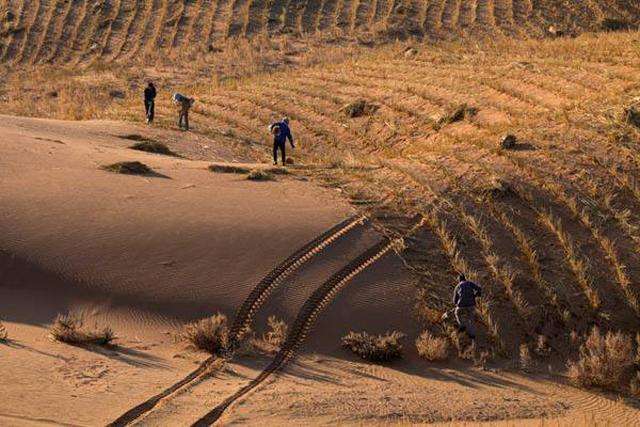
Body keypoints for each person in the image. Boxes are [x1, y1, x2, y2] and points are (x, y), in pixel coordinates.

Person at [452, 273, 482, 340]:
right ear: (465, 279)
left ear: (459, 280)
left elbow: (454, 301)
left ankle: (462, 325)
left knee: (457, 313)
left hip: (461, 305)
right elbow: (479, 289)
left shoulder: (457, 286)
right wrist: (475, 295)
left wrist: (457, 303)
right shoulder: (469, 283)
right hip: (471, 305)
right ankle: (472, 335)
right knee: (471, 318)